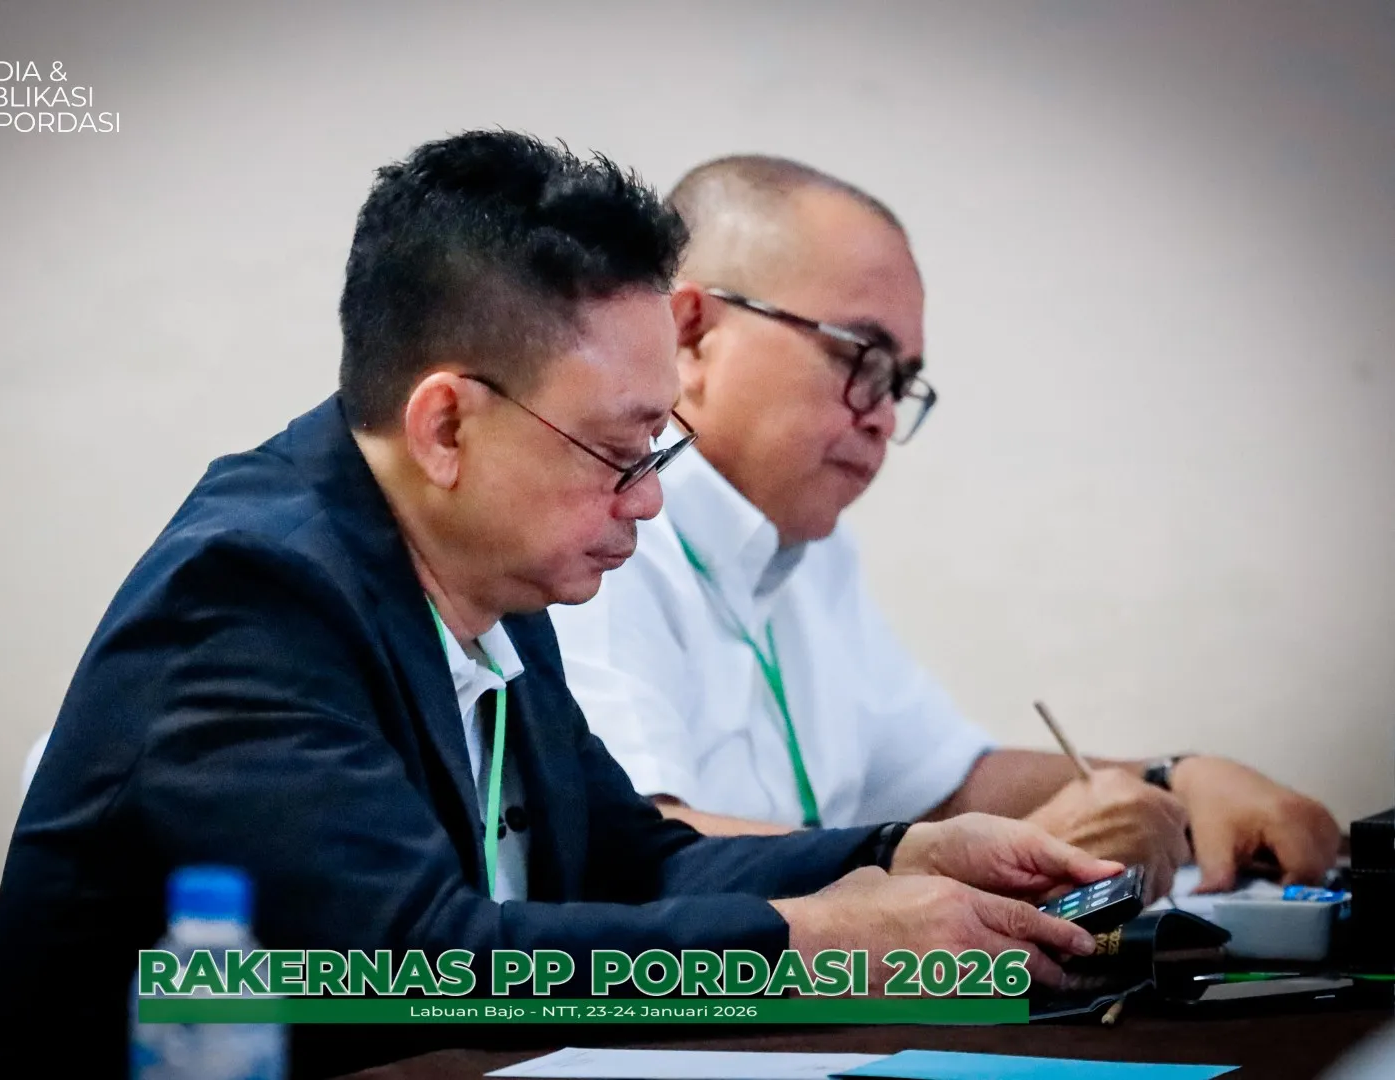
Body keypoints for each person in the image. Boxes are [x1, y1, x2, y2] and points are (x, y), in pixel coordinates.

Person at [0, 134, 1114, 1079]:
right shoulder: (250, 597)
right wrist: (807, 942)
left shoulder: (491, 571)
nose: (649, 498)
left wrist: (901, 853)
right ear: (446, 426)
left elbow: (628, 860)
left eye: (656, 450)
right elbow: (419, 964)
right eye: (619, 451)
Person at [549, 155, 1341, 904]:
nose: (884, 418)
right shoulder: (606, 533)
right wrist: (967, 862)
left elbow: (946, 783)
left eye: (900, 383)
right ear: (691, 335)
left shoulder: (811, 550)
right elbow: (642, 853)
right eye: (861, 357)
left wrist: (1176, 781)